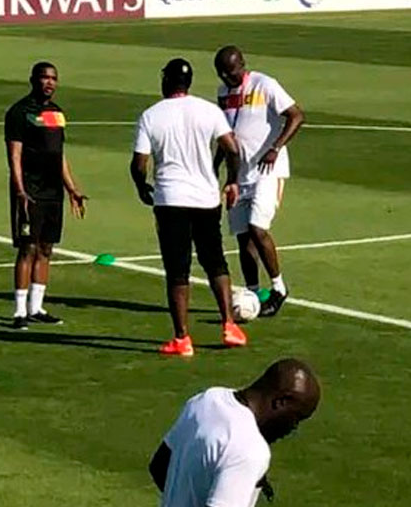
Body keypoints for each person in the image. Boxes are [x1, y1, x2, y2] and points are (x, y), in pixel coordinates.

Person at [130, 58, 247, 357]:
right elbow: (233, 149)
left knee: (177, 269)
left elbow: (139, 163)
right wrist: (232, 182)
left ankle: (182, 338)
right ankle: (229, 325)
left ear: (166, 81)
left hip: (171, 200)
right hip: (206, 198)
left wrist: (141, 186)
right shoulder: (209, 110)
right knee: (215, 261)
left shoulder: (151, 115)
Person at [149, 358, 322, 507]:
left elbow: (159, 466)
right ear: (281, 402)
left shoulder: (207, 399)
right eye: (296, 418)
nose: (292, 428)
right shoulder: (249, 449)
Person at [214, 46, 305, 318]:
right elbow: (226, 133)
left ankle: (278, 288)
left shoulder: (265, 85)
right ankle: (253, 292)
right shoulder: (223, 93)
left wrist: (276, 147)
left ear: (243, 64)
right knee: (243, 238)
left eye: (236, 71)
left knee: (257, 228)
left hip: (268, 169)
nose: (233, 77)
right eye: (227, 74)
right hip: (239, 175)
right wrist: (215, 164)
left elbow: (297, 115)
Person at [4, 62, 88, 330]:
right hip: (30, 189)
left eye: (53, 78)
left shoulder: (57, 113)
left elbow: (58, 154)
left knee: (47, 247)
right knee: (27, 247)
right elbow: (14, 155)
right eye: (44, 78)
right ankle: (19, 312)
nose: (49, 83)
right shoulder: (20, 112)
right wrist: (19, 190)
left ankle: (37, 307)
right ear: (33, 80)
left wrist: (71, 188)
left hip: (53, 190)